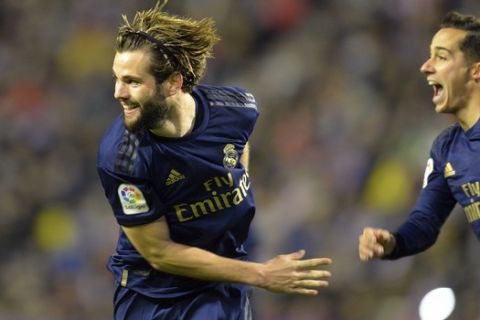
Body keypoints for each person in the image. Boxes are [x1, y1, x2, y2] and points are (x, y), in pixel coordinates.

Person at [96, 1, 332, 319]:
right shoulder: (123, 157)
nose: (118, 92)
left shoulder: (236, 107)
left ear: (174, 83)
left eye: (133, 82)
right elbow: (158, 252)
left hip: (221, 286)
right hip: (155, 296)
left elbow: (238, 143)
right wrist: (261, 274)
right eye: (117, 78)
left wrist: (231, 178)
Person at [358, 11, 480, 263]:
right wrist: (393, 241)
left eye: (442, 57)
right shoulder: (446, 149)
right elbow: (425, 222)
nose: (426, 66)